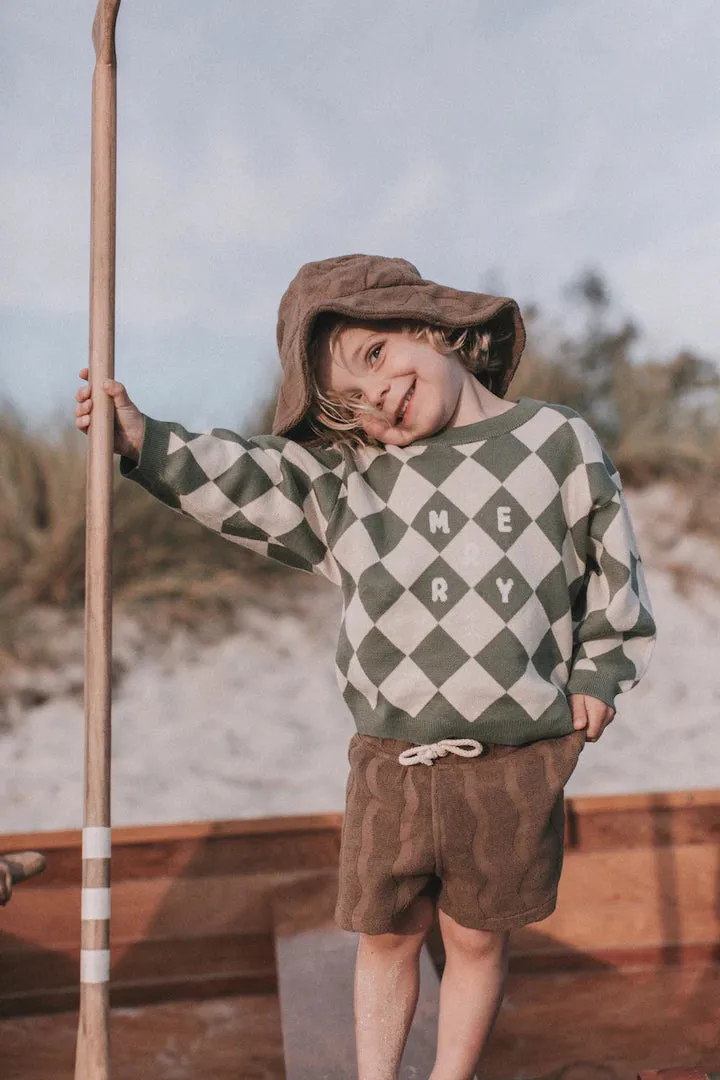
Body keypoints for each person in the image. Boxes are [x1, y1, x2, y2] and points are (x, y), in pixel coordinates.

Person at [75, 254, 656, 1080]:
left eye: (375, 359)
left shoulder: (556, 441)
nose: (375, 399)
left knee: (478, 936)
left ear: (430, 324)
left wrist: (601, 675)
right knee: (386, 936)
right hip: (391, 757)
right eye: (348, 406)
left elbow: (611, 563)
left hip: (518, 752)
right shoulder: (354, 484)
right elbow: (247, 479)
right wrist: (141, 439)